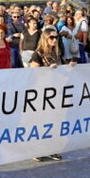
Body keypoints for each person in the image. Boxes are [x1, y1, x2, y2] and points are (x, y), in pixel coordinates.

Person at [29, 29, 66, 162]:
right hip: (41, 93)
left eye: (56, 37)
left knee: (54, 121)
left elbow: (62, 70)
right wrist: (47, 71)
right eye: (51, 37)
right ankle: (37, 150)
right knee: (41, 122)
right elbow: (32, 74)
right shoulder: (37, 54)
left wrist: (70, 67)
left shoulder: (56, 53)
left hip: (56, 92)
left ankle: (52, 149)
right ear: (45, 38)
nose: (54, 40)